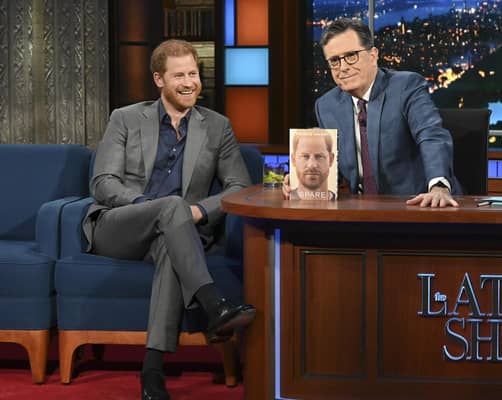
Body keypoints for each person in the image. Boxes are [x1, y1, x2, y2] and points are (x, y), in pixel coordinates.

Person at [84, 39, 256, 400]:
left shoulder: (217, 126)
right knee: (170, 207)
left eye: (193, 73)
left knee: (170, 240)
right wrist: (153, 206)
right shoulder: (126, 118)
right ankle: (214, 305)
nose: (189, 82)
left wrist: (199, 211)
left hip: (180, 231)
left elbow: (240, 186)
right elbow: (103, 183)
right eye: (179, 75)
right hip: (120, 224)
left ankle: (152, 371)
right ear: (159, 79)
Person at [287, 18, 461, 208]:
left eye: (351, 55)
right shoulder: (327, 106)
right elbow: (330, 167)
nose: (343, 67)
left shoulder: (406, 87)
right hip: (363, 215)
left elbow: (431, 136)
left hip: (419, 206)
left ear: (373, 55)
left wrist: (438, 187)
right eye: (335, 61)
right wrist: (302, 180)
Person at [289, 132, 336, 200]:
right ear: (293, 160)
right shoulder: (286, 197)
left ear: (331, 160)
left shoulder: (342, 201)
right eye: (305, 156)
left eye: (319, 156)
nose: (312, 165)